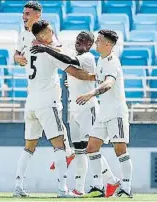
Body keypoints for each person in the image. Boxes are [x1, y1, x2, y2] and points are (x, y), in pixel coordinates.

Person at [14, 20, 96, 198]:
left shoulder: (28, 49)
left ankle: (18, 186)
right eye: (50, 31)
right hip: (47, 103)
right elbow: (74, 71)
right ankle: (62, 189)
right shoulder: (48, 51)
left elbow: (21, 60)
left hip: (31, 103)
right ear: (42, 35)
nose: (53, 33)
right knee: (60, 147)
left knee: (29, 147)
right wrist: (94, 77)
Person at [33, 31, 120, 197]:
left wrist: (44, 49)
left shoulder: (87, 57)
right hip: (74, 109)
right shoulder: (75, 53)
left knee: (91, 148)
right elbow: (63, 54)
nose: (80, 42)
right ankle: (80, 188)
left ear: (89, 45)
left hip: (88, 107)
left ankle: (104, 182)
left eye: (85, 41)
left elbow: (69, 61)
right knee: (80, 150)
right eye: (78, 39)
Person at [14, 1, 75, 171]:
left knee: (56, 134)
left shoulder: (46, 33)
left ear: (37, 15)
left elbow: (59, 53)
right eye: (23, 13)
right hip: (34, 91)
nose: (24, 16)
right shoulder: (23, 33)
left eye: (27, 13)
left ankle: (66, 157)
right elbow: (17, 53)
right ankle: (67, 153)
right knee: (54, 132)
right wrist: (18, 58)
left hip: (49, 90)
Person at [76, 29, 133, 198]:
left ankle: (126, 188)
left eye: (99, 40)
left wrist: (90, 94)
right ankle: (97, 186)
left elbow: (108, 83)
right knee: (91, 148)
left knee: (120, 150)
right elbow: (97, 76)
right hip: (103, 113)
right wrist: (74, 79)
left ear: (108, 44)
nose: (96, 43)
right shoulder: (100, 60)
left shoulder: (113, 62)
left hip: (116, 113)